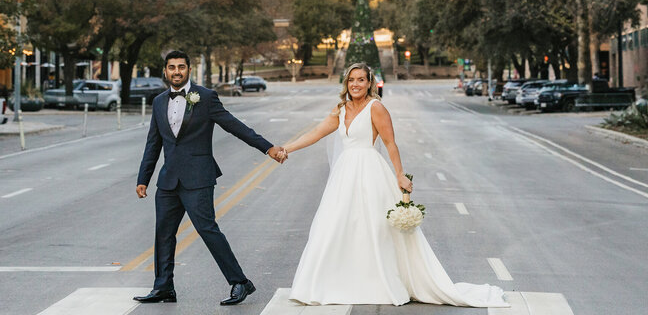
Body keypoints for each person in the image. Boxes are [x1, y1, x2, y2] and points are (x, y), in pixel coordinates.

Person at [281, 62, 507, 307]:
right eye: (351, 80)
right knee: (334, 225)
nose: (355, 84)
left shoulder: (376, 107)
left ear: (369, 83)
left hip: (370, 172)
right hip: (344, 174)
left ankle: (378, 281)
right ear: (346, 83)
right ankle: (332, 281)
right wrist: (285, 149)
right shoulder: (341, 109)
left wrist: (400, 175)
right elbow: (316, 133)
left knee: (374, 227)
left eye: (360, 80)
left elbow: (390, 143)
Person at [134, 50, 286, 306]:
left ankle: (240, 282)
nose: (176, 71)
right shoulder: (159, 101)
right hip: (168, 180)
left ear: (188, 69)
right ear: (165, 71)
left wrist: (267, 148)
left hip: (198, 178)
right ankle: (163, 287)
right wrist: (143, 178)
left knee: (207, 230)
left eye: (181, 67)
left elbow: (235, 126)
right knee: (163, 234)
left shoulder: (205, 97)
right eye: (172, 67)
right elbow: (153, 143)